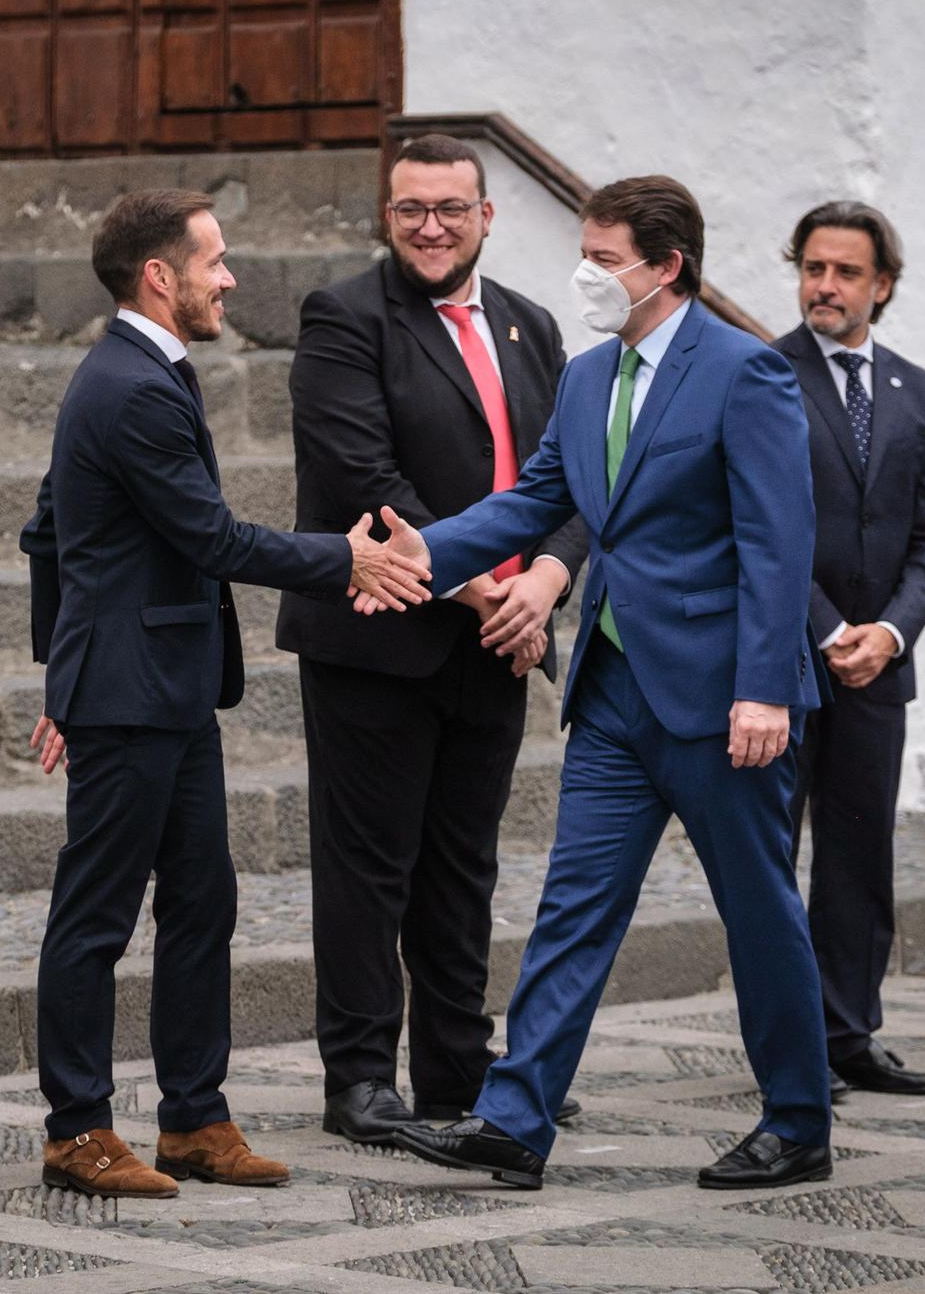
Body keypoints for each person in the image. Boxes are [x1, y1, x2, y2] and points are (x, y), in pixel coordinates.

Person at [382, 176, 834, 1191]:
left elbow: (775, 542)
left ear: (665, 265)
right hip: (615, 692)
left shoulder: (744, 373)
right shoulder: (588, 378)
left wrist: (763, 685)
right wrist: (424, 553)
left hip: (725, 700)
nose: (584, 274)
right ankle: (513, 1119)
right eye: (581, 254)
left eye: (602, 257)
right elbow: (535, 498)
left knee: (757, 911)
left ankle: (797, 1121)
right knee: (570, 909)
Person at [20, 188, 430, 1200]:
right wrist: (345, 559)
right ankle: (75, 1130)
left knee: (205, 902)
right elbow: (208, 538)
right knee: (95, 917)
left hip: (164, 689)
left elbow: (46, 530)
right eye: (213, 260)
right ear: (159, 275)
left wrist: (59, 663)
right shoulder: (129, 386)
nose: (228, 277)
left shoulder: (142, 373)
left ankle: (194, 1120)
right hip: (126, 697)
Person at [276, 134, 589, 1143]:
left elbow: (578, 479)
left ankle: (457, 1067)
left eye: (450, 208)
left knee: (463, 863)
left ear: (485, 217)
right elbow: (364, 482)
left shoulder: (531, 328)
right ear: (386, 214)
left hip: (500, 637)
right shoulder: (342, 319)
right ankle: (360, 1078)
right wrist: (484, 587)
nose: (429, 227)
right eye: (410, 208)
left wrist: (541, 582)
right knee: (368, 868)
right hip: (379, 638)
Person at [775, 201, 925, 1099]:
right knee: (771, 859)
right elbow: (754, 528)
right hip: (785, 659)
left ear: (882, 285)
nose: (825, 287)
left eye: (846, 272)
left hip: (880, 666)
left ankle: (849, 1033)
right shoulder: (763, 374)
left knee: (858, 856)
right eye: (813, 268)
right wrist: (825, 626)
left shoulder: (915, 389)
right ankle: (789, 1046)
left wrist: (887, 632)